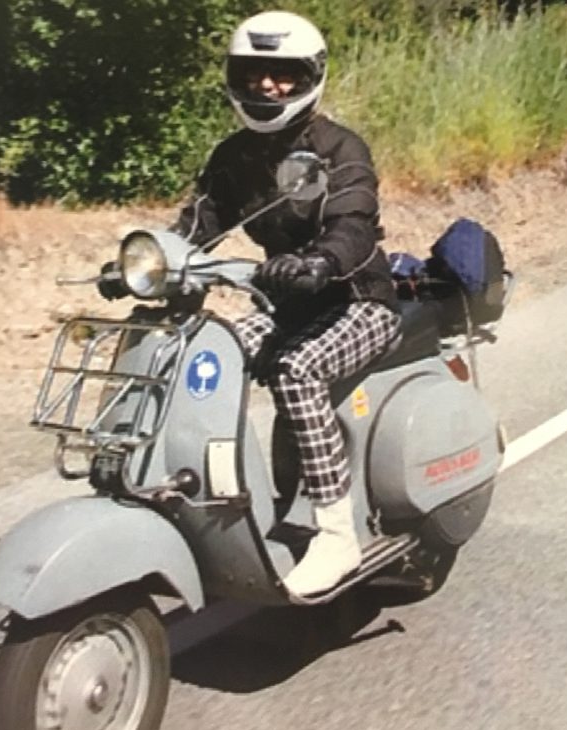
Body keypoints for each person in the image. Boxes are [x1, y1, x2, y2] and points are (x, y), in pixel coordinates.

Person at [101, 10, 401, 597]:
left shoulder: (341, 147)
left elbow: (355, 225)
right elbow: (195, 226)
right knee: (205, 351)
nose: (268, 86)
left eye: (283, 74)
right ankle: (215, 496)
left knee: (295, 370)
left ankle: (336, 532)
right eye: (255, 72)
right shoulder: (234, 155)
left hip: (358, 300)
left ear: (310, 76)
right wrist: (142, 264)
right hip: (287, 300)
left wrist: (323, 261)